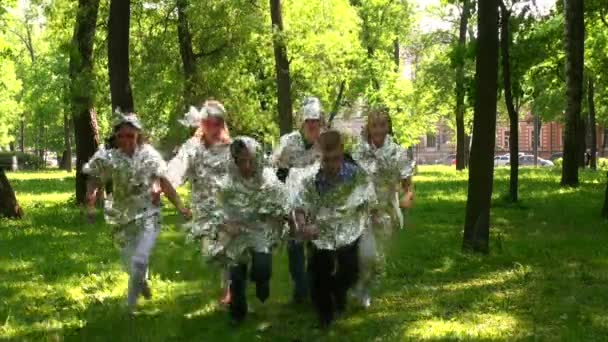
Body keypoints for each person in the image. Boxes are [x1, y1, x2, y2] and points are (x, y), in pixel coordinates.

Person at [83, 111, 191, 312]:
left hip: (149, 213)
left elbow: (164, 182)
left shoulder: (149, 155)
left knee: (140, 259)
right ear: (115, 137)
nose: (125, 140)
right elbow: (94, 179)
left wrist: (180, 206)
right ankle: (142, 282)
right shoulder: (109, 158)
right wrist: (90, 205)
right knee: (130, 263)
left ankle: (130, 305)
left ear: (138, 136)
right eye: (121, 136)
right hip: (121, 216)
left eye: (130, 136)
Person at [292, 130, 376, 328]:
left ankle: (339, 292)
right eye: (326, 160)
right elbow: (300, 206)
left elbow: (370, 201)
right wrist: (303, 226)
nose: (331, 165)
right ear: (320, 156)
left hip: (350, 229)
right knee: (319, 271)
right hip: (320, 232)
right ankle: (325, 316)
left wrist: (374, 217)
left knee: (350, 271)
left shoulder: (355, 175)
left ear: (342, 152)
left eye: (336, 159)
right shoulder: (311, 178)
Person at [209, 136, 288, 325]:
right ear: (234, 161)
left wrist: (278, 221)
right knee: (236, 273)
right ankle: (238, 313)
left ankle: (262, 282)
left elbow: (282, 205)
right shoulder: (227, 183)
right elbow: (214, 210)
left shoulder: (268, 180)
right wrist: (227, 225)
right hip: (236, 230)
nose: (245, 166)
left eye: (249, 160)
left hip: (260, 229)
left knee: (262, 268)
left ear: (257, 159)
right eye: (240, 161)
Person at [166, 100, 233, 304]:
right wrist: (164, 183)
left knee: (228, 248)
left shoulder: (232, 148)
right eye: (209, 123)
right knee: (211, 252)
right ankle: (231, 283)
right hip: (204, 212)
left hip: (228, 208)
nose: (213, 128)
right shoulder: (193, 148)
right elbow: (178, 166)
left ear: (222, 124)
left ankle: (230, 290)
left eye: (217, 123)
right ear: (202, 124)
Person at [351, 106, 415, 308]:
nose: (378, 130)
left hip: (386, 210)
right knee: (365, 252)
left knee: (378, 258)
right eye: (374, 126)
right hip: (361, 210)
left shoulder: (397, 153)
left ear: (388, 127)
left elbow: (408, 184)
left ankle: (365, 288)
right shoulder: (358, 151)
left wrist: (407, 197)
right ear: (368, 128)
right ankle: (359, 287)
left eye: (382, 125)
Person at [272, 96, 323, 303]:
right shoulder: (288, 142)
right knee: (295, 243)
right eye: (309, 121)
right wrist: (283, 204)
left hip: (317, 198)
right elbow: (276, 172)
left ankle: (315, 286)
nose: (312, 125)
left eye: (316, 121)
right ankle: (300, 287)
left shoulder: (324, 142)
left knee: (317, 244)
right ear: (302, 122)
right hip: (292, 199)